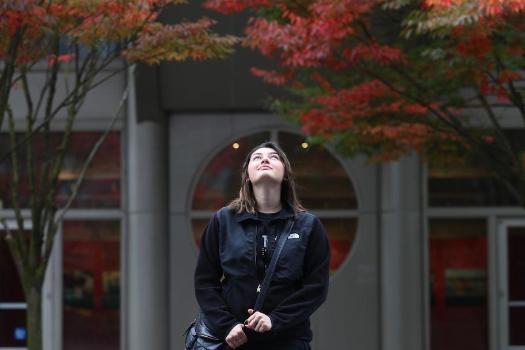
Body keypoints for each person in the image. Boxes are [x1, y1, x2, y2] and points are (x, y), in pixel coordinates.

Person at [194, 141, 330, 350]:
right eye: (257, 157)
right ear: (247, 175)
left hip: (288, 339)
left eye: (274, 157)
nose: (265, 159)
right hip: (234, 340)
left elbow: (316, 287)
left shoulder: (308, 225)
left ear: (285, 174)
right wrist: (226, 325)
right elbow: (205, 282)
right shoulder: (224, 220)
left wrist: (275, 320)